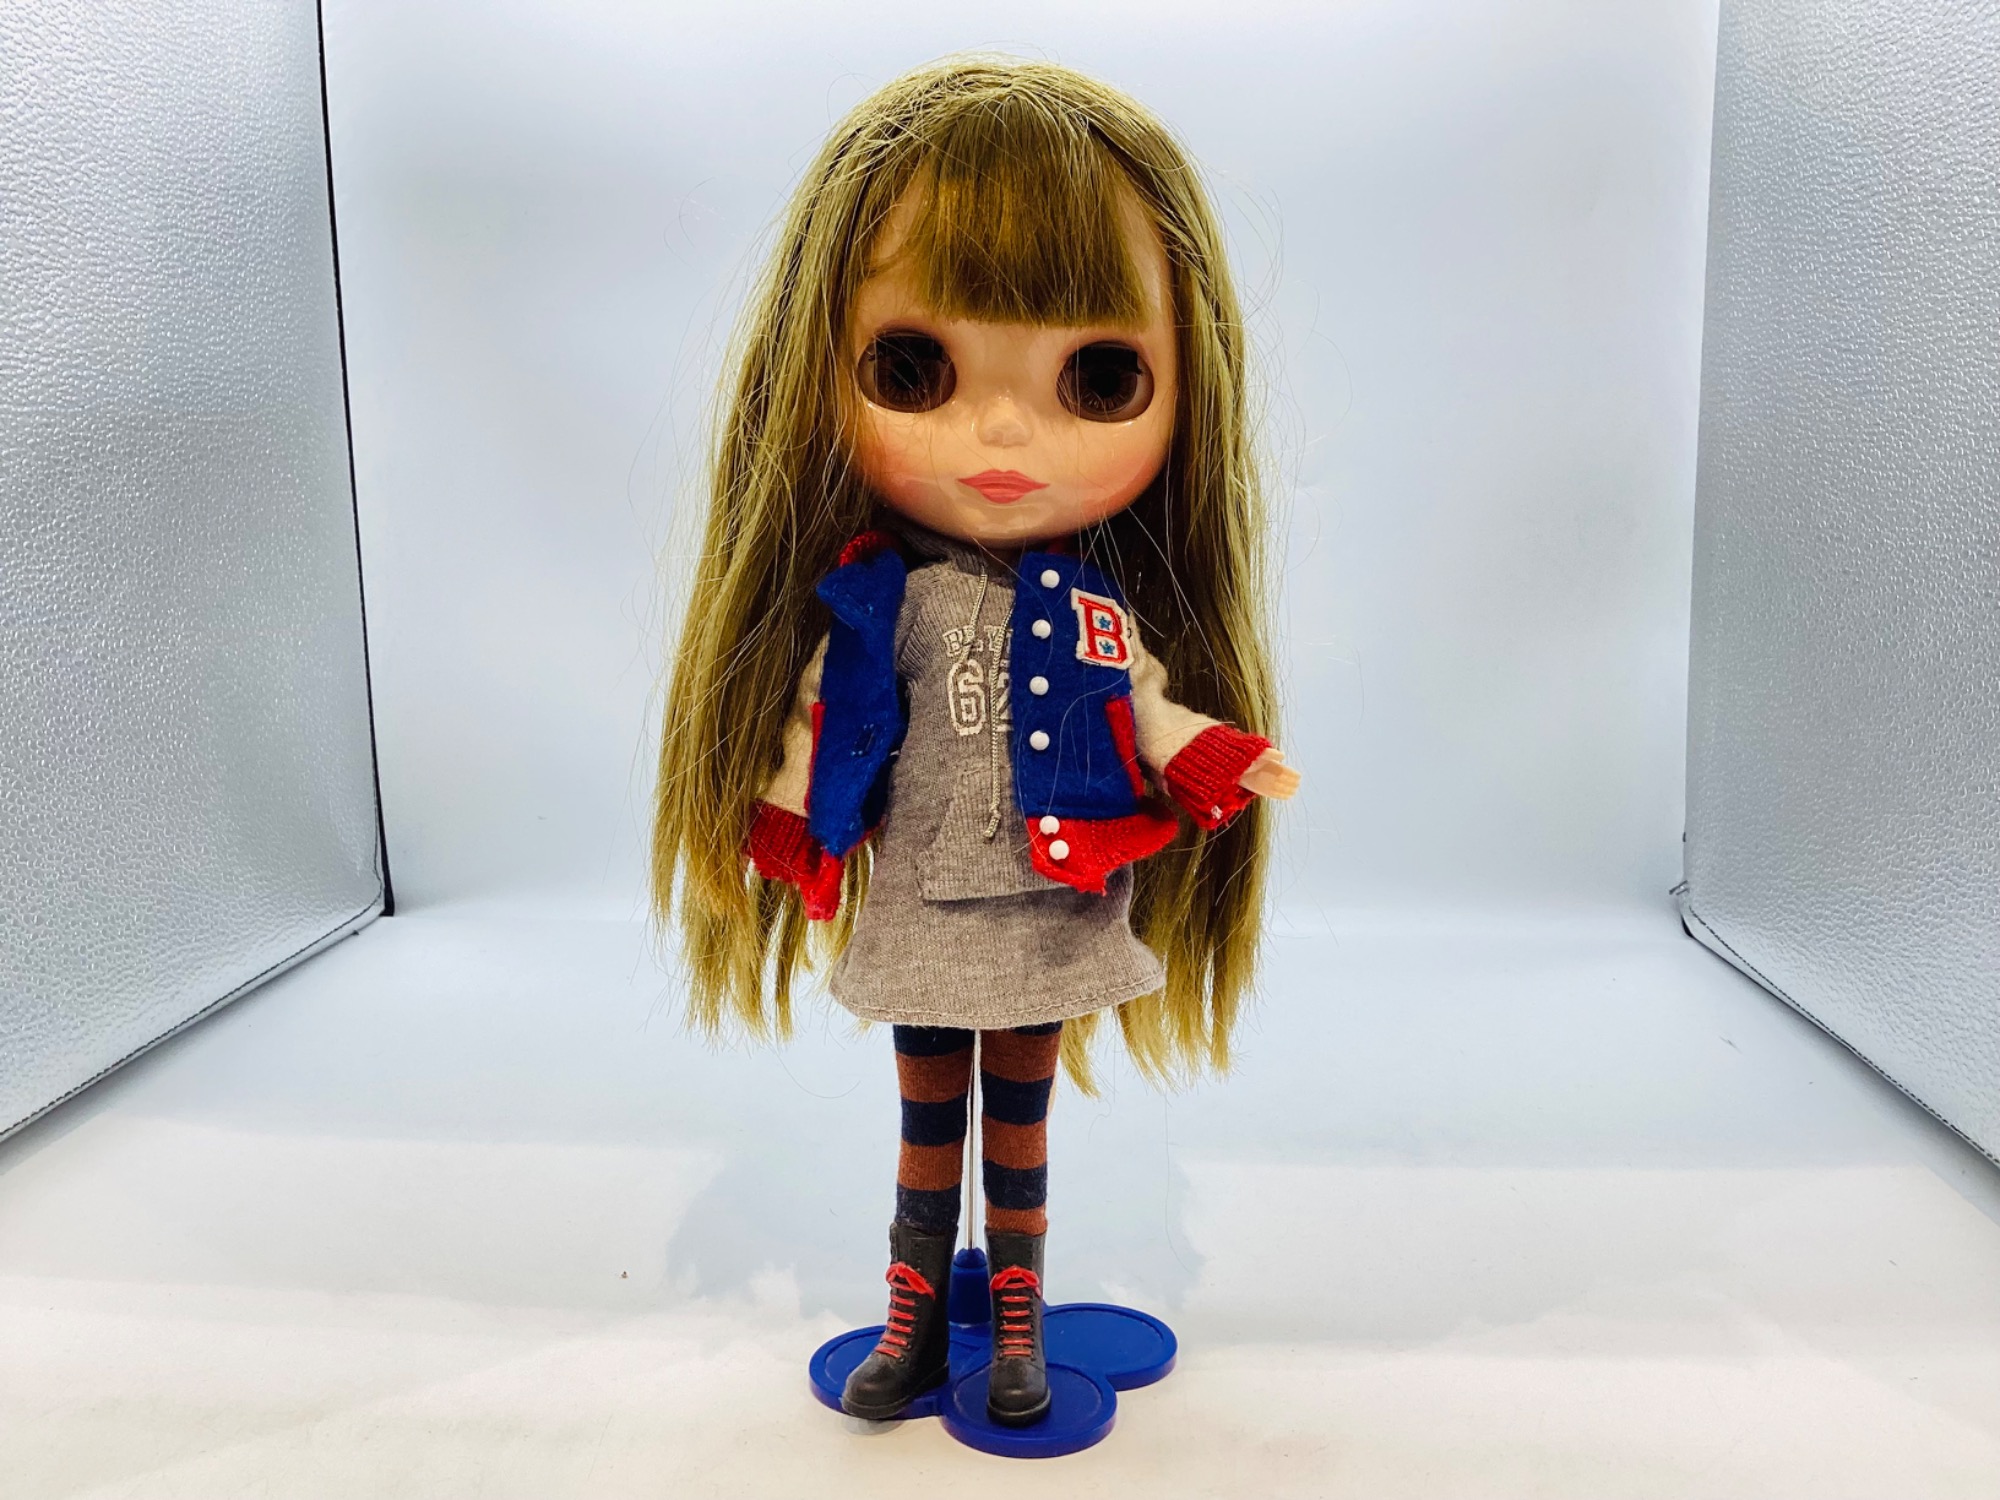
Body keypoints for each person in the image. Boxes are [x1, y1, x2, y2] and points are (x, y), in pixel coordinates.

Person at [651, 57, 1299, 1428]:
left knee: (1022, 1122)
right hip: (918, 905)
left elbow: (1146, 708)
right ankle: (910, 1311)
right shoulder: (878, 600)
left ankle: (1013, 1317)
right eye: (915, 369)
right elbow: (822, 725)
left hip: (1048, 906)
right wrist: (785, 825)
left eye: (1099, 377)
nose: (1003, 432)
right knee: (924, 1119)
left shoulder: (1094, 613)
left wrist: (1206, 758)